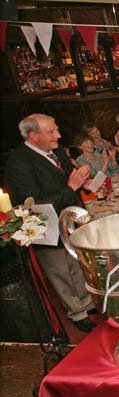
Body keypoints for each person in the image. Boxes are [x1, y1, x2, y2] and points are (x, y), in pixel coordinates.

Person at [4, 114, 96, 332]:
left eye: (56, 129)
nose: (58, 135)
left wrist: (83, 180)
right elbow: (34, 204)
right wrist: (71, 188)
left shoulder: (55, 151)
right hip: (47, 226)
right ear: (33, 136)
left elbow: (67, 176)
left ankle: (87, 302)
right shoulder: (19, 163)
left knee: (77, 263)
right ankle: (77, 312)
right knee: (60, 271)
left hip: (69, 219)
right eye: (51, 132)